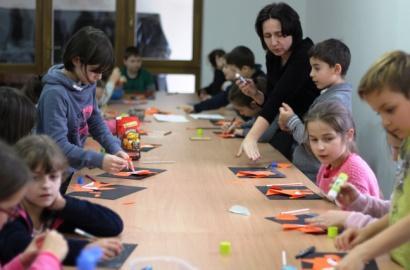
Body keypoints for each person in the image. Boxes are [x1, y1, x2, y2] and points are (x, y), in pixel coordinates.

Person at [335, 51, 410, 270]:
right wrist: (366, 233)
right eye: (379, 113)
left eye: (390, 109)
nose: (385, 122)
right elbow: (400, 210)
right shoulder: (405, 144)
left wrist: (363, 252)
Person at [0, 135, 124, 266]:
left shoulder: (53, 207)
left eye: (53, 177)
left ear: (62, 177)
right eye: (35, 178)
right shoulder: (10, 213)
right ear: (19, 179)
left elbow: (113, 225)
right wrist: (84, 248)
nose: (46, 185)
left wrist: (64, 204)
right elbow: (17, 248)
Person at [36, 26, 129, 183]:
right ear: (76, 60)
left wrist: (115, 148)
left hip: (72, 170)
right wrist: (98, 160)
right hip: (51, 177)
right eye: (95, 71)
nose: (98, 77)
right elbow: (57, 146)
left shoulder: (86, 82)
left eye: (102, 72)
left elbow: (95, 119)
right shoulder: (55, 94)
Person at [237, 2, 319, 161]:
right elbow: (273, 100)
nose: (274, 42)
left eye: (280, 34)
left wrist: (252, 137)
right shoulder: (272, 56)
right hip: (286, 127)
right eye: (267, 36)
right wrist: (256, 94)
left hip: (308, 133)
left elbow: (278, 97)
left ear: (293, 31)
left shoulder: (305, 53)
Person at [278, 38, 353, 181]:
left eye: (317, 68)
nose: (311, 74)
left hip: (314, 176)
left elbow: (310, 137)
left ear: (336, 69)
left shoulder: (335, 100)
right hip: (309, 172)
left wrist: (291, 120)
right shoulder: (330, 95)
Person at [0, 139, 68, 269]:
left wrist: (19, 264)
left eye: (53, 177)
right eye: (10, 210)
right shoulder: (12, 225)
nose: (46, 185)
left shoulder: (50, 208)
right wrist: (49, 257)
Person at [304, 101, 380, 197]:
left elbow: (358, 211)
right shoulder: (327, 164)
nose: (320, 147)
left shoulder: (353, 173)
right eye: (314, 139)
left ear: (349, 135)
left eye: (328, 139)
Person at [180, 45, 266, 114]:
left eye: (227, 67)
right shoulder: (243, 80)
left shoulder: (259, 82)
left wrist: (196, 108)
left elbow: (222, 98)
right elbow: (223, 96)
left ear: (245, 69)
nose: (224, 70)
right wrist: (196, 108)